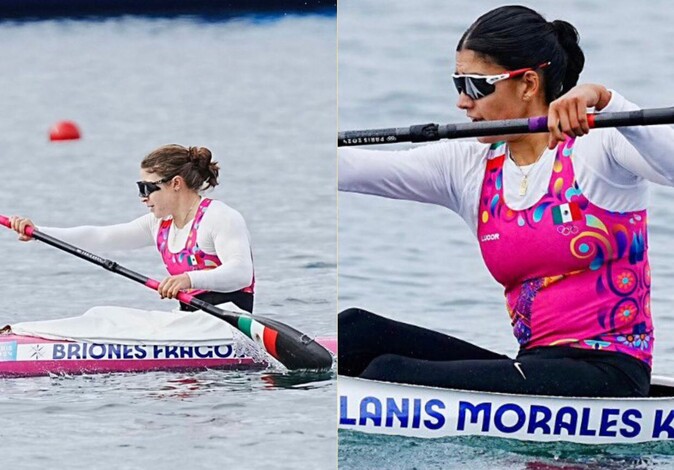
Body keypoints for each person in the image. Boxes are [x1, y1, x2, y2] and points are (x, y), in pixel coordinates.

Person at [338, 5, 674, 397]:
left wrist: (606, 99)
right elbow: (351, 169)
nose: (463, 102)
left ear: (528, 84)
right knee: (354, 331)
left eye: (477, 86)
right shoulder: (469, 165)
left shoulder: (598, 145)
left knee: (388, 372)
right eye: (457, 84)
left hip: (609, 373)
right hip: (534, 365)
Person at [10, 144, 255, 313]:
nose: (142, 197)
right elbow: (101, 236)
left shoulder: (219, 217)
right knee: (103, 314)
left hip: (228, 324)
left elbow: (241, 273)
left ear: (176, 184)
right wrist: (39, 232)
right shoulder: (159, 224)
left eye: (146, 188)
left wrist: (187, 279)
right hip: (192, 322)